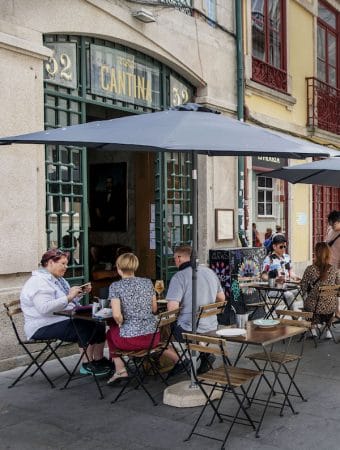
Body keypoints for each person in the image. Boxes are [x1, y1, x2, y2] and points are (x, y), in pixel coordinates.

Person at [20, 249, 110, 376]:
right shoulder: (39, 282)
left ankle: (99, 360)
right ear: (50, 262)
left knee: (98, 323)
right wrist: (69, 297)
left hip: (58, 319)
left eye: (66, 264)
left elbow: (64, 301)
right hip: (41, 325)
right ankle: (87, 364)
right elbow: (44, 308)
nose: (66, 267)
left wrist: (79, 293)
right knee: (83, 326)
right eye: (63, 264)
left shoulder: (58, 280)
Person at [165, 245, 226, 375]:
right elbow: (222, 299)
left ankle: (180, 361)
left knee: (163, 328)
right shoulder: (210, 272)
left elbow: (172, 310)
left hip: (190, 329)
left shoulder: (179, 277)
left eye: (175, 258)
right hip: (212, 325)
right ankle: (204, 353)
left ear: (180, 258)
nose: (175, 261)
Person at [106, 253, 160, 385]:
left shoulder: (116, 286)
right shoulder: (147, 283)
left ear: (118, 267)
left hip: (132, 340)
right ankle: (123, 367)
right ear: (135, 267)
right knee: (114, 332)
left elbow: (117, 315)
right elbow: (154, 309)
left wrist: (120, 324)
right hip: (153, 338)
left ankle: (121, 371)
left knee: (109, 333)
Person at [301, 242, 339, 338]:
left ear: (316, 253)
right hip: (331, 307)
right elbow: (338, 287)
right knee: (330, 301)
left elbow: (303, 287)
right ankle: (328, 330)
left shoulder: (310, 269)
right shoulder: (334, 269)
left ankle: (313, 329)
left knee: (307, 302)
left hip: (314, 308)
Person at [261, 234, 301, 309]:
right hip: (275, 289)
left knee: (304, 289)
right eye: (281, 247)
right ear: (274, 247)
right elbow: (263, 275)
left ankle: (307, 314)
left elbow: (290, 272)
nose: (283, 249)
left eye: (285, 246)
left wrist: (296, 277)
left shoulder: (286, 257)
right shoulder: (269, 259)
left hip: (287, 286)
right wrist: (274, 279)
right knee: (288, 295)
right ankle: (295, 316)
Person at [325, 210, 340, 317]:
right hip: (328, 265)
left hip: (338, 266)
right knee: (331, 290)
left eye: (333, 223)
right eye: (330, 222)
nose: (331, 225)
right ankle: (335, 311)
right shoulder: (330, 230)